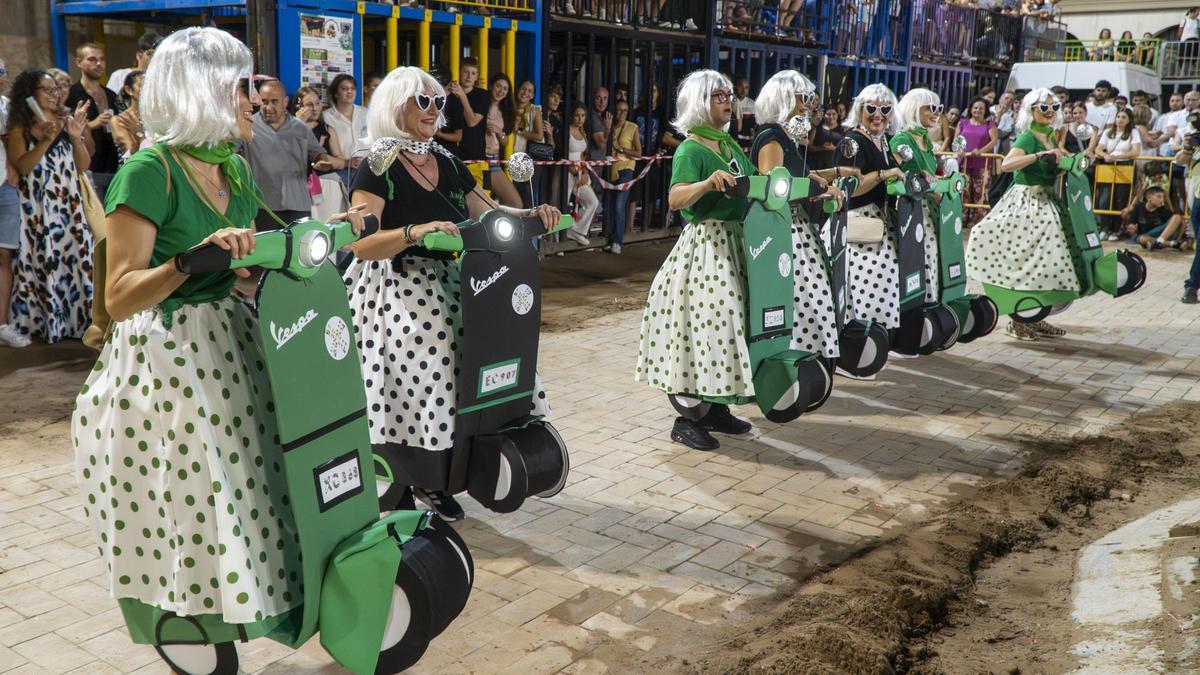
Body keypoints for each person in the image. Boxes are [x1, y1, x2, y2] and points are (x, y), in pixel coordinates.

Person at [73, 28, 348, 643]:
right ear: (199, 92)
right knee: (207, 490)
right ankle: (197, 619)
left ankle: (263, 601)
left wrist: (319, 241)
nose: (253, 101)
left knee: (259, 482)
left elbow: (252, 265)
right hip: (171, 360)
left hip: (233, 339)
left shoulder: (231, 166)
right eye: (240, 88)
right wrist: (184, 264)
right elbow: (117, 297)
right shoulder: (149, 171)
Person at [342, 66, 559, 520]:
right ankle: (404, 476)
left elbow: (487, 210)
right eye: (423, 101)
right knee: (426, 369)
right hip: (396, 286)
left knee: (469, 367)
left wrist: (532, 214)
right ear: (395, 104)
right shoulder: (378, 161)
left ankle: (441, 475)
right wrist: (413, 231)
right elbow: (362, 242)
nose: (434, 110)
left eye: (438, 102)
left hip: (453, 283)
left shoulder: (447, 159)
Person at [635, 70, 755, 451]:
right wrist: (705, 184)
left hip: (737, 242)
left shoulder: (729, 145)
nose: (728, 100)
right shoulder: (691, 149)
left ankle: (716, 408)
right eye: (719, 95)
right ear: (700, 102)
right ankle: (686, 419)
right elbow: (675, 198)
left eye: (729, 94)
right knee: (711, 324)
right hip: (708, 246)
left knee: (729, 326)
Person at [750, 70, 847, 369]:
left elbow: (796, 177)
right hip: (783, 231)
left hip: (799, 229)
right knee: (801, 300)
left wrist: (823, 181)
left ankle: (808, 363)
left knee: (812, 300)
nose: (809, 105)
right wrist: (815, 186)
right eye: (803, 98)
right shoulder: (772, 137)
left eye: (811, 98)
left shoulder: (787, 138)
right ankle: (791, 366)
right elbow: (772, 187)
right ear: (783, 98)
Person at [965, 88, 1073, 341]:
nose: (1049, 112)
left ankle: (1034, 316)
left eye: (1053, 107)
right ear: (1031, 110)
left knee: (1042, 264)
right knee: (1025, 262)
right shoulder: (1028, 137)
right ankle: (1017, 319)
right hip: (1026, 202)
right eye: (1043, 107)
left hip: (1046, 199)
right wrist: (1038, 156)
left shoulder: (1049, 135)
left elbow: (1055, 161)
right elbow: (1007, 164)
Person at [6, 69, 93, 343]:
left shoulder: (66, 120)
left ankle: (78, 323)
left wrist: (77, 136)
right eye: (47, 89)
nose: (54, 94)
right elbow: (23, 165)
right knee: (42, 260)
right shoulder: (21, 125)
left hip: (68, 202)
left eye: (56, 88)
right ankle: (45, 324)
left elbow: (83, 164)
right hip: (38, 206)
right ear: (30, 93)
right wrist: (45, 139)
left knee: (78, 259)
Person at [836, 84, 906, 342]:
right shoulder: (851, 142)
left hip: (879, 223)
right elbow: (848, 189)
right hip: (858, 226)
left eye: (885, 109)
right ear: (860, 109)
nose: (878, 115)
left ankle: (871, 344)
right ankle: (857, 345)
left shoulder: (883, 141)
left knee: (879, 290)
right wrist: (884, 174)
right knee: (862, 293)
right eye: (872, 108)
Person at [242, 81, 339, 230]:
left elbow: (318, 154)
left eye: (274, 102)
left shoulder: (300, 128)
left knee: (301, 250)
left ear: (285, 101)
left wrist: (322, 162)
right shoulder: (248, 125)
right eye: (264, 101)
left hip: (298, 204)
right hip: (262, 206)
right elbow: (229, 152)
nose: (268, 107)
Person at [892, 88, 948, 308]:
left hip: (930, 211)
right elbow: (892, 172)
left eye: (939, 108)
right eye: (931, 108)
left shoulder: (924, 137)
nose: (936, 113)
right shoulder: (902, 139)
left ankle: (929, 308)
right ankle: (917, 312)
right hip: (910, 211)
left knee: (932, 259)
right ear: (915, 109)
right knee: (920, 260)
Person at [65, 43, 121, 199]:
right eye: (92, 59)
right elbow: (65, 129)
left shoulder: (111, 95)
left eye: (102, 59)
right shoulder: (71, 95)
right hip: (87, 166)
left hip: (113, 164)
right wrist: (92, 124)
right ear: (78, 62)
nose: (98, 64)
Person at [0, 57, 28, 347]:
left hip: (5, 188)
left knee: (4, 256)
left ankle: (3, 324)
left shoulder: (8, 107)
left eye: (2, 71)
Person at [292, 84, 349, 222]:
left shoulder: (327, 130)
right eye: (309, 104)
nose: (315, 108)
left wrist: (322, 157)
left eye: (317, 103)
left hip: (327, 184)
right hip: (299, 185)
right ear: (299, 107)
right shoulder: (289, 130)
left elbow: (341, 161)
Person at [437, 58, 490, 162]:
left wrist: (462, 95)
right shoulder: (449, 95)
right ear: (459, 73)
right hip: (451, 152)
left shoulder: (482, 95)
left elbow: (472, 122)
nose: (469, 76)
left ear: (476, 77)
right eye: (466, 72)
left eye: (473, 73)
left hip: (474, 154)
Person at [482, 73, 523, 207]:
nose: (501, 91)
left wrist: (499, 132)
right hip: (478, 159)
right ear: (491, 86)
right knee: (481, 205)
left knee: (516, 203)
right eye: (498, 86)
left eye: (505, 89)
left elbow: (505, 142)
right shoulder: (480, 103)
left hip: (494, 161)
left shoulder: (506, 112)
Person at [958, 97, 999, 225]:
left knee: (980, 192)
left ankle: (978, 219)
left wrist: (981, 151)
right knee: (964, 190)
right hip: (964, 163)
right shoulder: (962, 122)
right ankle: (962, 217)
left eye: (981, 108)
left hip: (982, 163)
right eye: (975, 107)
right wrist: (959, 150)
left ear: (985, 110)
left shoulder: (989, 125)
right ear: (971, 109)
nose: (978, 110)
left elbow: (993, 141)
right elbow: (957, 138)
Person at [608, 99, 641, 254]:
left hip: (626, 169)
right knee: (610, 204)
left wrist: (620, 149)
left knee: (620, 205)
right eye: (619, 110)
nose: (621, 113)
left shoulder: (632, 127)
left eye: (625, 110)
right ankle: (609, 237)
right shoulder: (609, 125)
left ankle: (617, 241)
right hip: (611, 169)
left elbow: (638, 153)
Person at [322, 73, 367, 184]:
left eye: (352, 88)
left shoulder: (366, 113)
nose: (349, 92)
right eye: (344, 89)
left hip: (368, 168)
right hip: (342, 170)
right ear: (336, 93)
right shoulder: (325, 117)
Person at [565, 103, 600, 246]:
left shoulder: (583, 132)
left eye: (583, 115)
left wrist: (584, 172)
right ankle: (557, 237)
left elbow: (582, 156)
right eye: (577, 115)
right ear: (572, 116)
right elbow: (562, 154)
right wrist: (572, 170)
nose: (580, 118)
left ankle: (575, 230)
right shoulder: (566, 131)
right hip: (566, 173)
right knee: (562, 204)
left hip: (579, 173)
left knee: (593, 202)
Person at [1174, 123, 1200, 303]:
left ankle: (1192, 285)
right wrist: (1188, 146)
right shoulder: (1196, 142)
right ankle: (1192, 286)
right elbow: (1179, 160)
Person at [107, 32, 160, 96]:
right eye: (150, 54)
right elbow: (111, 102)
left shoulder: (161, 78)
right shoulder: (120, 76)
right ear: (139, 55)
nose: (154, 58)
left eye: (158, 54)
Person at [111, 70, 147, 160]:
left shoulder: (157, 117)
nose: (148, 89)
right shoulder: (119, 120)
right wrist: (139, 133)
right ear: (129, 90)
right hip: (131, 168)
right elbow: (131, 151)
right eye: (142, 85)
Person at [809, 106, 844, 170]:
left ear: (837, 115)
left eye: (834, 114)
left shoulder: (843, 130)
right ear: (824, 115)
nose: (831, 117)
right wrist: (822, 148)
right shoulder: (816, 129)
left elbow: (847, 150)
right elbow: (809, 147)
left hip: (836, 166)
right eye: (828, 114)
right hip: (817, 165)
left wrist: (834, 148)